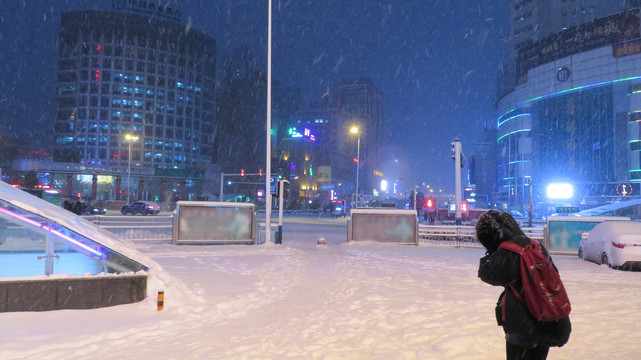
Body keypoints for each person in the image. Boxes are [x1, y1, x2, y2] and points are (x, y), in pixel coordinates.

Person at [476, 210, 571, 360]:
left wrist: (492, 251)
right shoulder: (535, 246)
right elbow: (554, 272)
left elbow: (486, 272)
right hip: (546, 319)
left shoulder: (508, 252)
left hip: (522, 326)